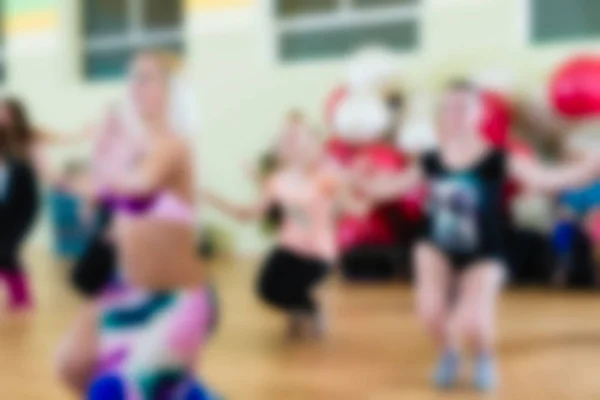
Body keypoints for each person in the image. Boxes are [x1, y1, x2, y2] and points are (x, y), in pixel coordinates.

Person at [359, 81, 600, 392]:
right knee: (430, 312)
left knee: (474, 322)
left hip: (483, 250)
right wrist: (361, 181)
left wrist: (589, 167)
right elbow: (391, 187)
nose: (455, 114)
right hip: (437, 246)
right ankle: (448, 354)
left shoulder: (498, 158)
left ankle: (484, 356)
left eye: (463, 107)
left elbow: (545, 179)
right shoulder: (430, 159)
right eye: (449, 108)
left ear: (479, 113)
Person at [55, 51, 216, 399]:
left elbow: (140, 186)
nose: (135, 86)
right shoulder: (134, 147)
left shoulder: (173, 145)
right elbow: (126, 204)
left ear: (170, 90)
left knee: (112, 390)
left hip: (175, 299)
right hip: (126, 290)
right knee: (71, 364)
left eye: (146, 78)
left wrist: (97, 169)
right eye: (131, 78)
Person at [203, 121, 339, 339]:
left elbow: (346, 199)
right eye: (291, 143)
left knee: (291, 286)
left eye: (304, 143)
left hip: (317, 255)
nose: (298, 147)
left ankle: (310, 309)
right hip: (288, 249)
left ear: (315, 148)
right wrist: (212, 199)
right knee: (266, 290)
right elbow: (247, 214)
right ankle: (301, 307)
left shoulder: (326, 179)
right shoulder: (277, 182)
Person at [0, 125, 39, 311]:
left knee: (7, 256)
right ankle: (20, 300)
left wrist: (21, 227)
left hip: (13, 223)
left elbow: (30, 203)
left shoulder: (20, 168)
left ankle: (21, 300)